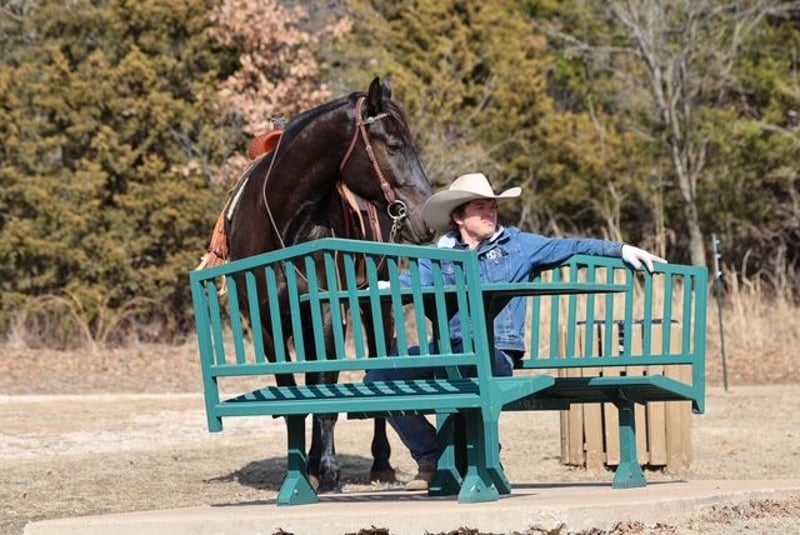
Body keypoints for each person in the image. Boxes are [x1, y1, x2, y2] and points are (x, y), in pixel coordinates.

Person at [364, 172, 667, 491]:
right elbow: (411, 283)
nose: (490, 213)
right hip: (447, 350)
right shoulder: (439, 256)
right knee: (378, 379)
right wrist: (385, 286)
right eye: (480, 208)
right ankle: (432, 457)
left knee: (466, 372)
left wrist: (620, 249)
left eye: (492, 207)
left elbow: (570, 246)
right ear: (458, 217)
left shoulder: (517, 246)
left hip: (495, 352)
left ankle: (481, 461)